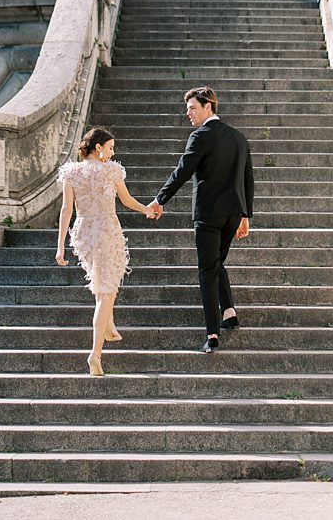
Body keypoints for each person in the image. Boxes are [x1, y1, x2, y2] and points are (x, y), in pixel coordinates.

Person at [147, 86, 255, 353]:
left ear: (209, 106)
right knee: (215, 263)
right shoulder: (239, 138)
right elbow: (248, 181)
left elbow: (182, 171)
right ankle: (229, 312)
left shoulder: (201, 136)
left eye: (192, 108)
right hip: (232, 213)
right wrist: (245, 215)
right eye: (187, 109)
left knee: (207, 270)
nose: (188, 113)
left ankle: (212, 334)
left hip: (208, 214)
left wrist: (160, 200)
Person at [55, 127, 159, 376]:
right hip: (106, 230)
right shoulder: (111, 170)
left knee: (102, 284)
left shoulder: (71, 172)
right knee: (105, 294)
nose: (113, 153)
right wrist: (147, 209)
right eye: (110, 147)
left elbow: (66, 211)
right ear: (98, 147)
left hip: (83, 233)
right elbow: (126, 200)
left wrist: (60, 246)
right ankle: (95, 354)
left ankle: (109, 322)